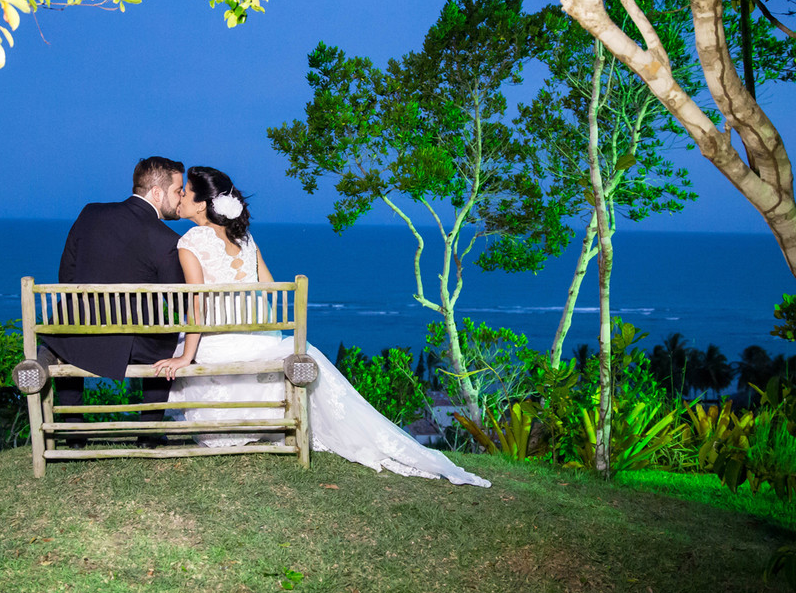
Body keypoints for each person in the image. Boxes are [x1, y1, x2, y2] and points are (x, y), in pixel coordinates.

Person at [152, 166, 491, 487]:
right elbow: (270, 288)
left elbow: (197, 306)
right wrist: (263, 334)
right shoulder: (245, 239)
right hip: (256, 339)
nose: (179, 197)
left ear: (201, 204)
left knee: (198, 357)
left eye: (185, 193)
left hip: (219, 345)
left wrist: (185, 356)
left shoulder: (190, 242)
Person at [41, 156, 186, 439]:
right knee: (169, 345)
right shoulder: (165, 239)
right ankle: (149, 431)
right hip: (133, 343)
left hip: (74, 334)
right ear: (157, 193)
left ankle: (73, 426)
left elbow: (66, 276)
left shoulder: (89, 214)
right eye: (177, 190)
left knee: (66, 334)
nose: (180, 198)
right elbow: (179, 302)